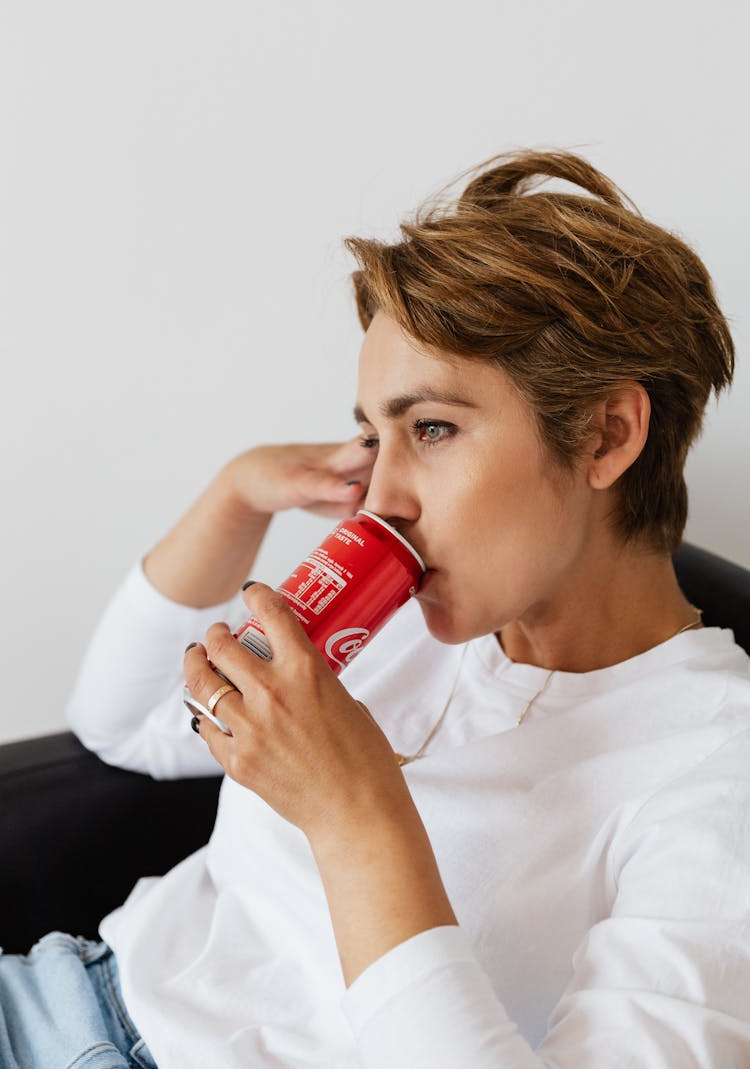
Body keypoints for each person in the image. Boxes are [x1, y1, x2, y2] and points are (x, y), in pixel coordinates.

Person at [3, 149, 750, 1069]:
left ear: (607, 433)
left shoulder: (717, 774)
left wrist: (356, 816)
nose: (379, 495)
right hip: (59, 991)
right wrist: (236, 496)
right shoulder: (408, 614)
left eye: (430, 428)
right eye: (371, 434)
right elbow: (120, 728)